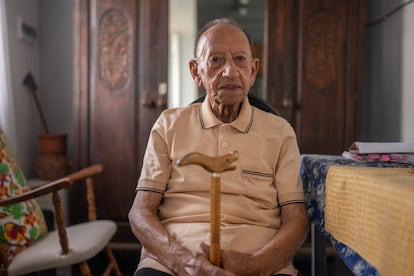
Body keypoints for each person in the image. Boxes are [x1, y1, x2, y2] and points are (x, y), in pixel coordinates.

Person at [128, 18, 310, 276]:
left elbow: (297, 219)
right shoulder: (169, 125)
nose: (230, 71)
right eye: (215, 60)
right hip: (172, 264)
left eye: (240, 59)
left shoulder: (280, 132)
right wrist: (185, 262)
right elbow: (140, 212)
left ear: (253, 70)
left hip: (261, 263)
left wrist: (255, 264)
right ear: (195, 71)